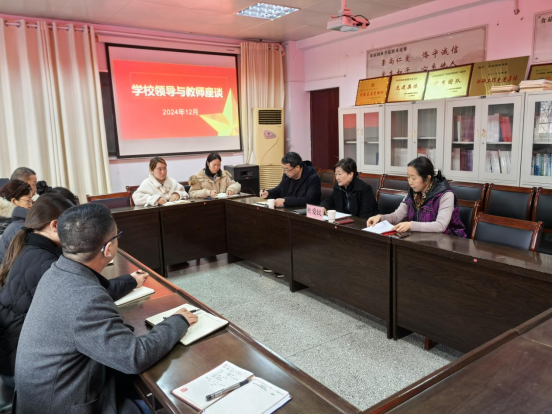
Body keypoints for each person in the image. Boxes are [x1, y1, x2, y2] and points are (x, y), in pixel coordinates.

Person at [14, 203, 198, 413]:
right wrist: (178, 322)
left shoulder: (56, 271)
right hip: (64, 405)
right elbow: (134, 358)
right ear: (108, 248)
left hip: (45, 395)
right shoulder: (86, 298)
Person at [0, 195, 144, 389]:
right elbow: (86, 297)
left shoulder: (29, 246)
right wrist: (131, 281)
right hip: (27, 371)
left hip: (16, 357)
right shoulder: (46, 264)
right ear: (55, 225)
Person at [366, 157, 467, 237]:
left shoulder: (445, 195)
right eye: (408, 177)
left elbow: (440, 225)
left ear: (427, 178)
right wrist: (380, 218)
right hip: (422, 239)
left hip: (448, 241)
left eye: (413, 178)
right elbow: (397, 216)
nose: (410, 182)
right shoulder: (412, 192)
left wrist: (411, 225)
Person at [0, 186, 79, 263]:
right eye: (28, 200)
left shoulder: (33, 236)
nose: (31, 204)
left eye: (32, 200)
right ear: (54, 225)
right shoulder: (20, 230)